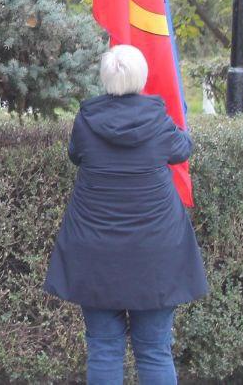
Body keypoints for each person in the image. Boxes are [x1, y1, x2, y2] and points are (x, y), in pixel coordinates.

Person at [43, 44, 207, 385]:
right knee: (155, 350)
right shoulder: (158, 120)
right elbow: (183, 149)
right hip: (157, 254)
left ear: (105, 79)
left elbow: (76, 155)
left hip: (95, 251)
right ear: (142, 77)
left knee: (103, 349)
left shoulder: (86, 121)